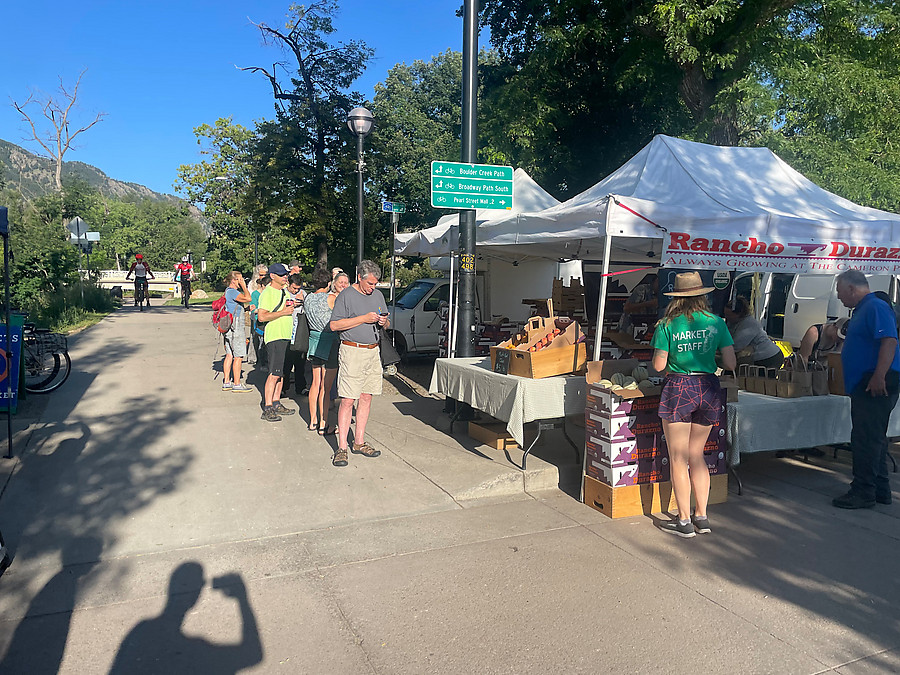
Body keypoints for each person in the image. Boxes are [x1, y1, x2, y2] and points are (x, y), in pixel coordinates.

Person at [651, 271, 736, 537]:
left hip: (679, 387)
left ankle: (684, 520)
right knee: (697, 455)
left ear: (675, 297)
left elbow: (658, 366)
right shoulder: (717, 323)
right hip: (709, 387)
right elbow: (731, 363)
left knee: (678, 457)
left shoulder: (667, 324)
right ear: (703, 295)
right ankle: (702, 516)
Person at [832, 269, 900, 509]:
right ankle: (880, 488)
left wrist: (879, 375)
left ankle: (863, 491)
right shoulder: (863, 309)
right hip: (867, 381)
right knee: (873, 437)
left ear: (852, 288)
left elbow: (889, 340)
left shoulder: (875, 307)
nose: (839, 298)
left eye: (841, 292)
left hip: (874, 382)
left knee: (864, 439)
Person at [329, 260, 389, 467]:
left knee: (366, 396)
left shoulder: (378, 295)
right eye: (370, 283)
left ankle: (359, 441)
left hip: (373, 351)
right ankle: (342, 447)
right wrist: (363, 318)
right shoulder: (346, 296)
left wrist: (383, 321)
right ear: (359, 278)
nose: (373, 287)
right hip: (352, 350)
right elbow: (335, 324)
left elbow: (386, 321)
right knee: (347, 399)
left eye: (376, 284)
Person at [257, 263, 297, 422]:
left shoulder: (284, 292)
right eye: (281, 275)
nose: (285, 276)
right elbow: (262, 316)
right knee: (274, 373)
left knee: (281, 373)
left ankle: (276, 402)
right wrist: (284, 312)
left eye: (286, 274)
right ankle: (267, 407)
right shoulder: (268, 293)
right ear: (272, 276)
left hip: (285, 336)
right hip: (275, 337)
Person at [304, 268, 340, 434]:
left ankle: (312, 420)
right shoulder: (331, 298)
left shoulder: (308, 298)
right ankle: (323, 423)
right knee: (326, 386)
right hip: (330, 341)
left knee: (315, 383)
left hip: (314, 341)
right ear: (328, 283)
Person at [723, 296, 784, 369]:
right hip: (756, 355)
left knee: (754, 379)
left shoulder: (749, 324)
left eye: (729, 315)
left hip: (769, 357)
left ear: (739, 314)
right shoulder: (731, 322)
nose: (726, 317)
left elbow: (735, 346)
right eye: (725, 314)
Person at [221, 271, 252, 393]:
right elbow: (248, 298)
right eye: (239, 279)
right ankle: (237, 384)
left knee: (229, 354)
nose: (241, 281)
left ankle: (226, 382)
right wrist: (244, 286)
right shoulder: (233, 291)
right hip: (236, 326)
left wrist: (246, 308)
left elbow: (234, 305)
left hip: (228, 326)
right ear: (233, 280)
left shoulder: (228, 292)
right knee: (238, 355)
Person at [281, 273, 308, 397]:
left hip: (300, 331)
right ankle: (283, 387)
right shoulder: (283, 293)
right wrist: (291, 303)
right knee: (286, 362)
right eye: (294, 288)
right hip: (286, 330)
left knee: (300, 362)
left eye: (298, 288)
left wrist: (304, 301)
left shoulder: (303, 294)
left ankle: (301, 387)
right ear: (288, 284)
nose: (296, 290)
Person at [249, 273, 269, 368]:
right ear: (262, 285)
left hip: (268, 319)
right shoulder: (255, 294)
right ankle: (262, 363)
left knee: (267, 342)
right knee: (261, 342)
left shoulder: (269, 294)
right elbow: (253, 309)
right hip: (259, 321)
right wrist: (262, 309)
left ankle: (267, 361)